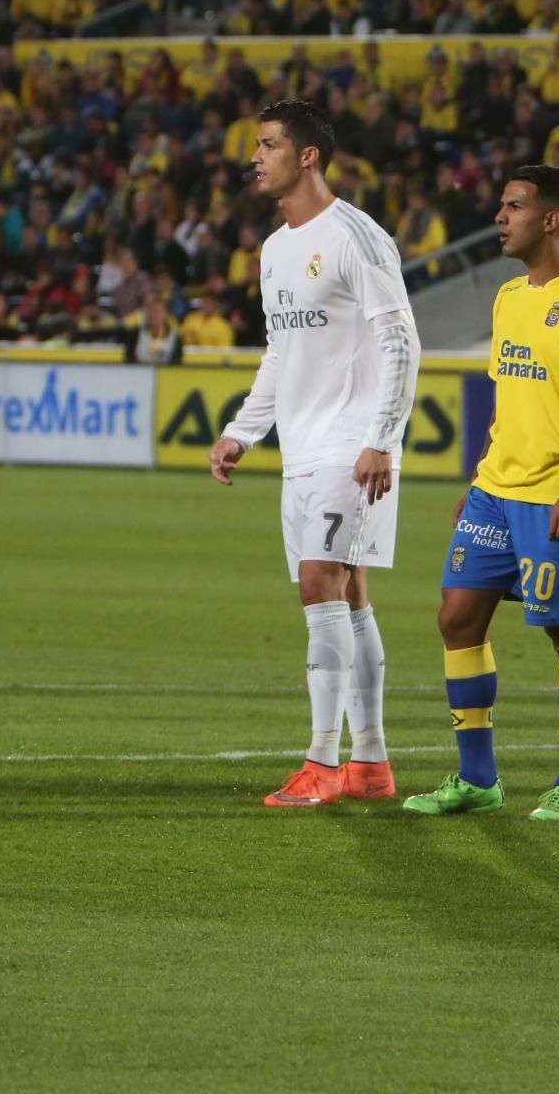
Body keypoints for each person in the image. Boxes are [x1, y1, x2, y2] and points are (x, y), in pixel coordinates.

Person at [208, 100, 422, 808]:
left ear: (308, 156)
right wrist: (244, 429)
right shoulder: (275, 249)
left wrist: (381, 440)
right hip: (302, 449)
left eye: (268, 145)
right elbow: (282, 352)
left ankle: (321, 763)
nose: (255, 157)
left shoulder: (358, 237)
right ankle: (372, 764)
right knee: (349, 595)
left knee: (318, 583)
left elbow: (400, 341)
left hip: (350, 446)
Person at [404, 166, 559, 823]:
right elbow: (513, 400)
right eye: (500, 206)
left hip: (558, 494)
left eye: (514, 207)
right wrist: (480, 477)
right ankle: (478, 779)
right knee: (457, 617)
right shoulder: (507, 297)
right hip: (497, 491)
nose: (499, 217)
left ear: (551, 219)